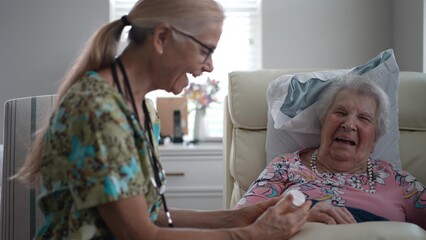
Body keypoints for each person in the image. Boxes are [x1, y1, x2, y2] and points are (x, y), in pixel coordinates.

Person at [14, 0, 311, 239]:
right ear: (162, 37)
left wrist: (240, 215)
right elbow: (137, 233)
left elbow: (149, 215)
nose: (209, 66)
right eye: (205, 50)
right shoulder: (97, 111)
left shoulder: (144, 109)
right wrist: (250, 234)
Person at [235, 74, 426, 229]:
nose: (349, 124)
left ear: (375, 138)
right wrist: (300, 220)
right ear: (323, 122)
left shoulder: (400, 182)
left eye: (364, 118)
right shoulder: (285, 167)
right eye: (341, 113)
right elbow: (238, 222)